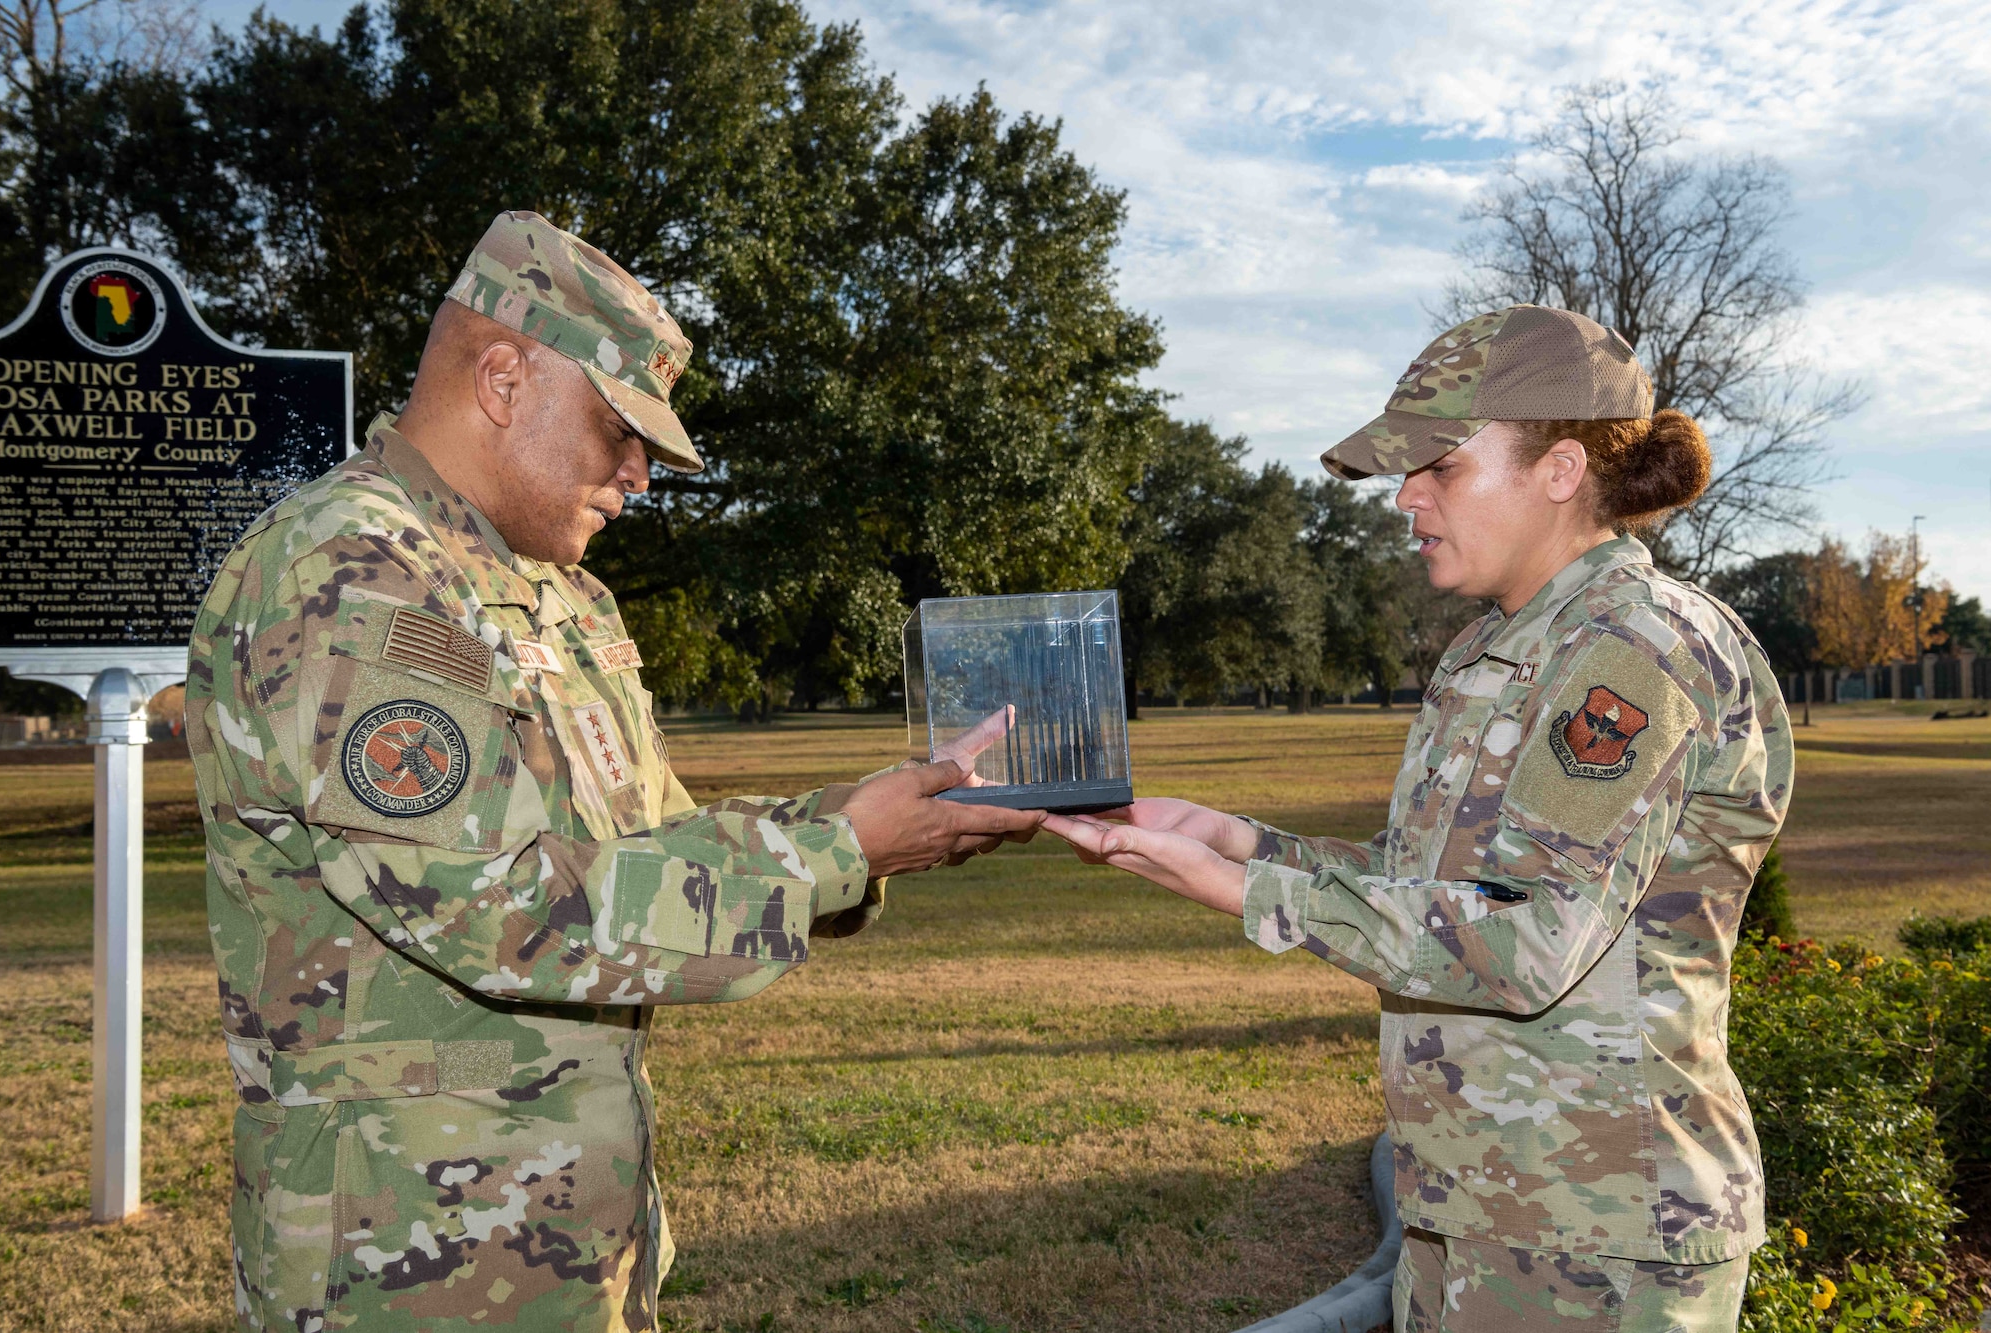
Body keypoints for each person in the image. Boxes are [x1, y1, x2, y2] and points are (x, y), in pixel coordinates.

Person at [185, 210, 1040, 1333]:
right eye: (616, 432)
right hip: (402, 1266)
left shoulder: (557, 594)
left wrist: (878, 817)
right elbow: (493, 906)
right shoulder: (353, 574)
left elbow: (647, 842)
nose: (639, 475)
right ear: (502, 377)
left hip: (559, 1237)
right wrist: (836, 855)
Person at [1047, 306, 1792, 1332]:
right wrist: (1239, 840)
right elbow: (1421, 881)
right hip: (1477, 1207)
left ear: (1560, 470)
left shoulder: (1635, 650)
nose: (1405, 495)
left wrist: (1248, 892)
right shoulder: (1489, 653)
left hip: (1597, 1240)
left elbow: (1527, 936)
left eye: (1436, 464)